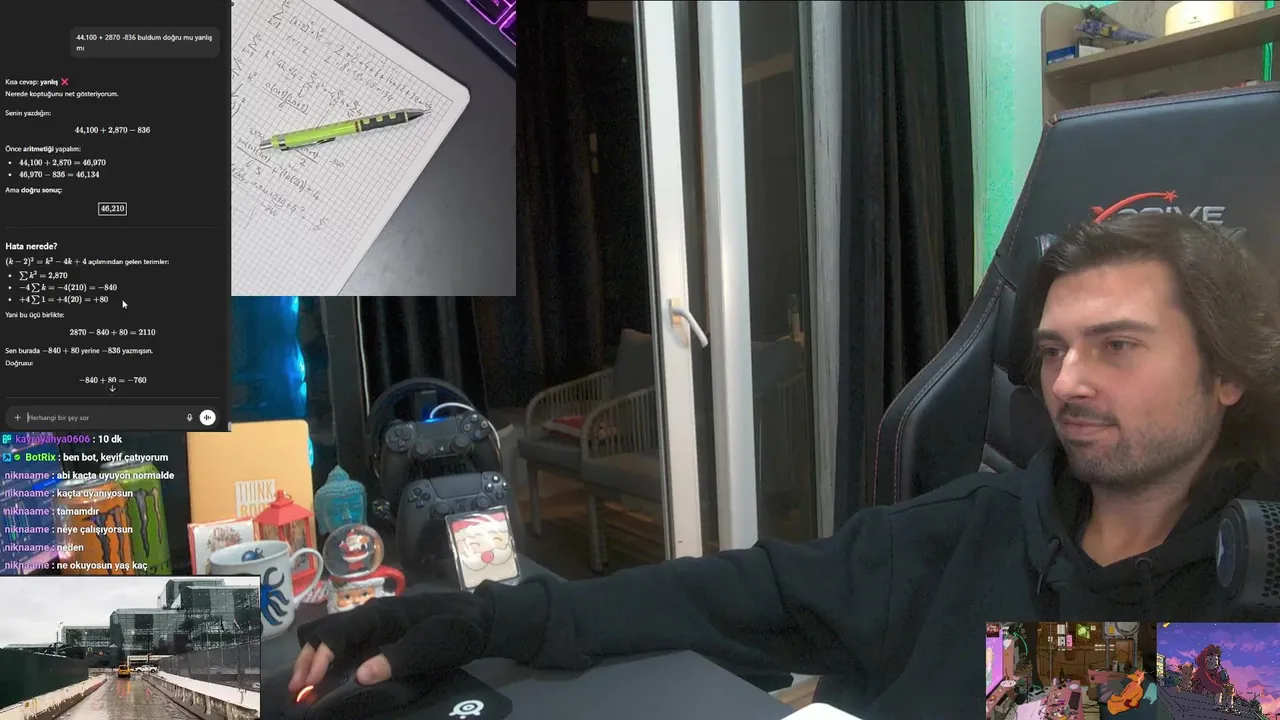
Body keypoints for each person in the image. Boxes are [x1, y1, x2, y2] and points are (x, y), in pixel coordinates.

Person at [290, 214, 1280, 717]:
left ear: (1228, 373)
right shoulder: (971, 531)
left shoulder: (1252, 601)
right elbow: (738, 594)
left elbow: (1198, 689)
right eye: (1054, 349)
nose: (1067, 381)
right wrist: (484, 616)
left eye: (1117, 346)